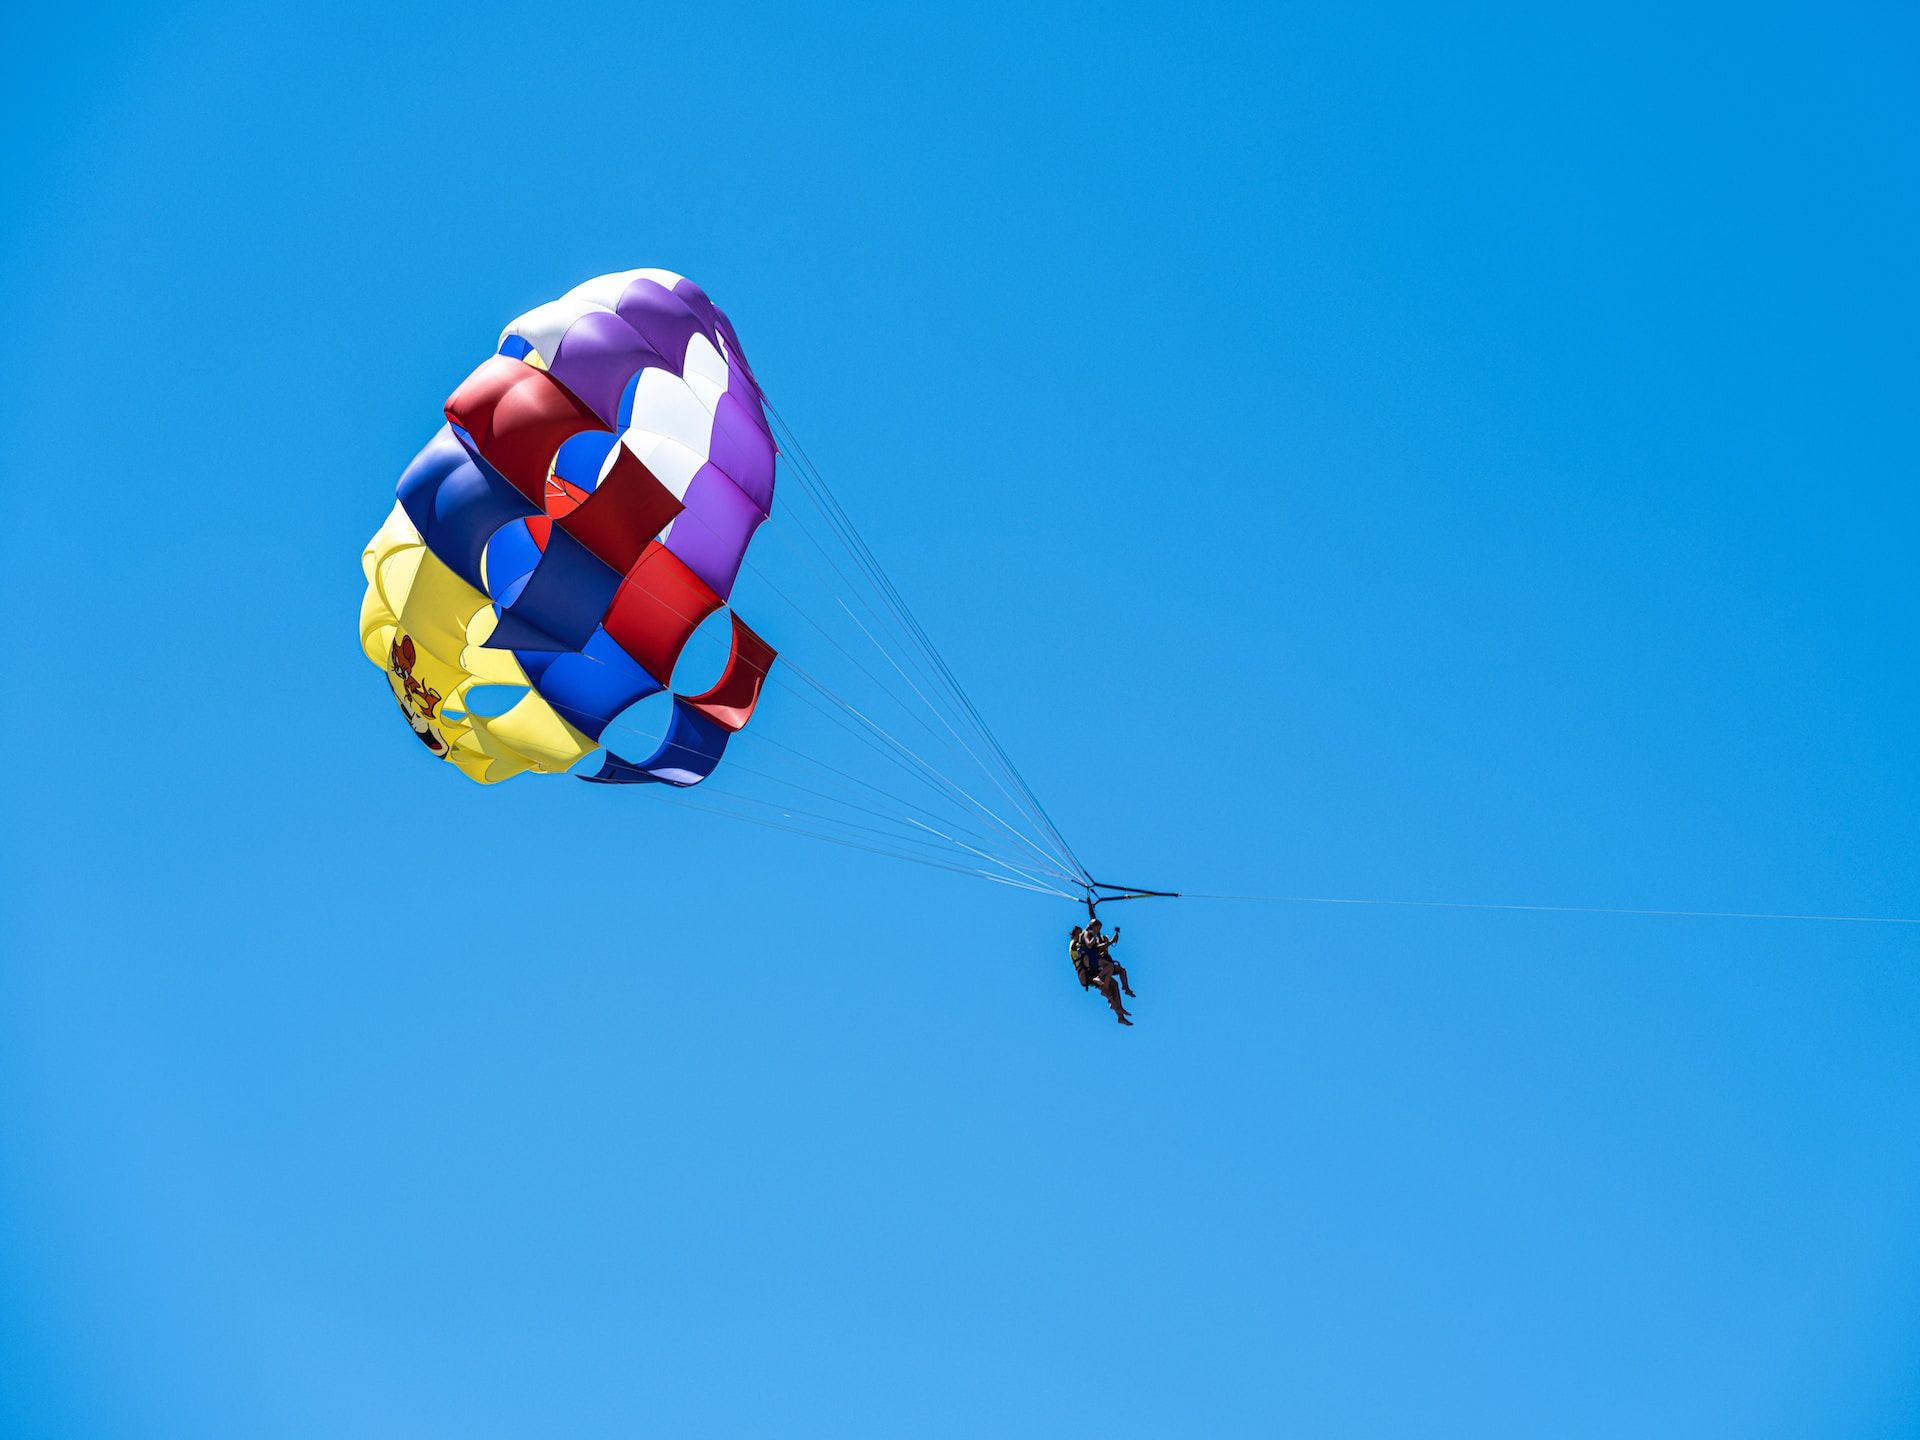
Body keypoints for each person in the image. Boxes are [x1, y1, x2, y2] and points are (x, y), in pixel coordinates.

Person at [1078, 918, 1135, 1026]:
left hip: (1094, 959)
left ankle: (1122, 1005)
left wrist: (1111, 942)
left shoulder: (1093, 935)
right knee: (1109, 967)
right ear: (1094, 927)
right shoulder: (1087, 933)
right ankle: (1100, 980)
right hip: (1089, 961)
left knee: (1118, 973)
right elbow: (1089, 945)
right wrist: (1095, 936)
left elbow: (1097, 948)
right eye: (1098, 929)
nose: (1098, 931)